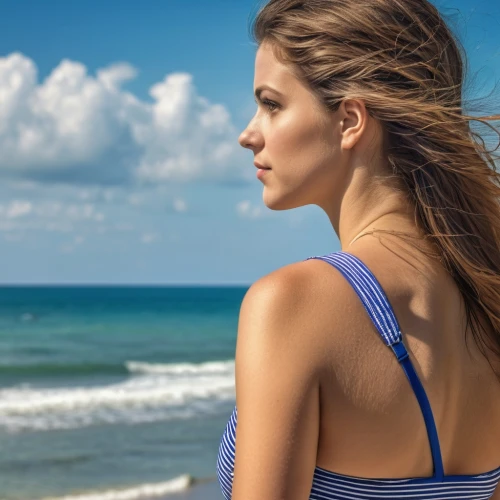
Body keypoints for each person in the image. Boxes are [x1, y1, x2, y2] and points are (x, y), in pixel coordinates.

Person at [216, 0, 500, 498]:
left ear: (350, 120)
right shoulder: (485, 301)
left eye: (272, 104)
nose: (248, 134)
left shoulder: (293, 305)